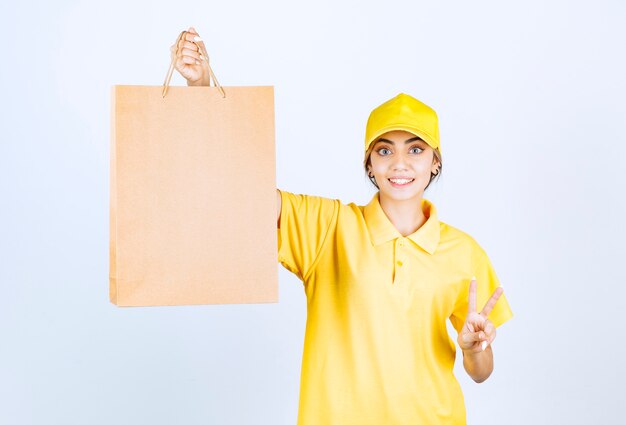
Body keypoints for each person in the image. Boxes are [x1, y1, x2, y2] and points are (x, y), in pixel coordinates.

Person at [171, 27, 514, 425]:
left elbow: (480, 372)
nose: (399, 164)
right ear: (370, 164)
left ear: (435, 161)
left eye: (415, 149)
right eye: (384, 150)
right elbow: (241, 190)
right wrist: (201, 88)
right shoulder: (327, 228)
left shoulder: (463, 250)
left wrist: (474, 349)